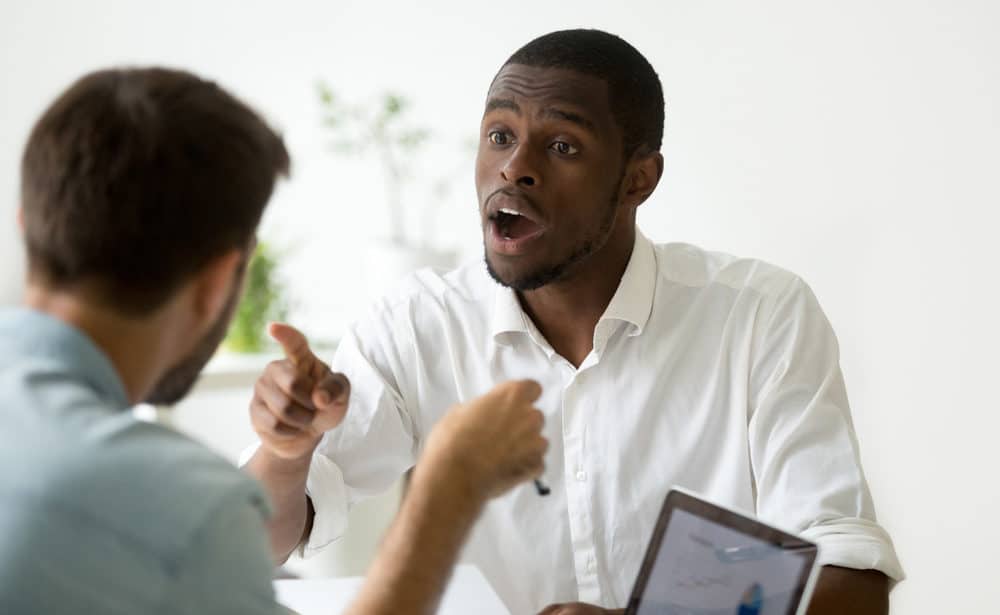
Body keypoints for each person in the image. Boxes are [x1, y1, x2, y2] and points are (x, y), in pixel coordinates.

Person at [245, 29, 904, 615]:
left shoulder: (761, 315)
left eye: (562, 144)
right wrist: (286, 451)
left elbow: (852, 585)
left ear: (638, 179)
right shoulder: (419, 322)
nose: (515, 167)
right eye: (500, 135)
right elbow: (256, 541)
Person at [0, 67, 548, 615]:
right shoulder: (180, 508)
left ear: (27, 228)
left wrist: (287, 458)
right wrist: (447, 491)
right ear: (219, 283)